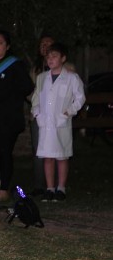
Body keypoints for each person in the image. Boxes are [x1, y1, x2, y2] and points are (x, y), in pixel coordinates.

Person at [0, 30, 34, 202]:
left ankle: (3, 190)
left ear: (7, 46)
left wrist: (9, 95)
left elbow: (27, 87)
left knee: (4, 154)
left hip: (6, 121)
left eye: (0, 42)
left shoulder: (14, 65)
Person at [31, 43, 85, 202]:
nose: (50, 59)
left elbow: (80, 98)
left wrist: (69, 111)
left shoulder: (71, 78)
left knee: (62, 156)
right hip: (45, 123)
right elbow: (36, 98)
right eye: (48, 57)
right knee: (48, 156)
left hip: (61, 123)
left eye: (54, 56)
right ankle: (49, 188)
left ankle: (61, 187)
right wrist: (37, 113)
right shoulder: (42, 78)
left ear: (63, 58)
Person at [28, 34, 55, 197]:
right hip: (39, 116)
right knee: (38, 150)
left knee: (56, 150)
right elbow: (30, 92)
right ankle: (39, 185)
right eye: (42, 44)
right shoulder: (35, 70)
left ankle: (56, 186)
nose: (45, 47)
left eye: (49, 43)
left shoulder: (67, 68)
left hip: (57, 116)